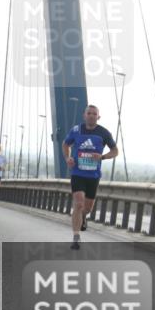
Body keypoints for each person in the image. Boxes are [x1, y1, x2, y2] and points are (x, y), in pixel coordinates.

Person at [62, 105, 118, 249]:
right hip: (77, 173)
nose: (91, 115)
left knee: (87, 208)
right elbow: (65, 144)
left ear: (98, 117)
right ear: (84, 115)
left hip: (93, 175)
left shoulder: (104, 133)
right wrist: (67, 158)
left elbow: (115, 151)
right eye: (89, 113)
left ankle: (83, 217)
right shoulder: (76, 130)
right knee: (79, 204)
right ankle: (76, 237)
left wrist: (102, 157)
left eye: (94, 114)